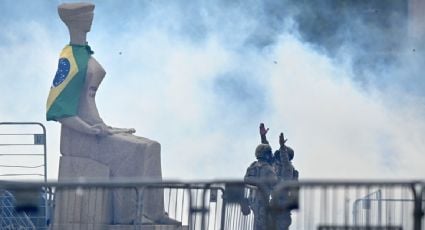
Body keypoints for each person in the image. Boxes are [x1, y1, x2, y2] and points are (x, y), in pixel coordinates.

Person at [46, 3, 179, 225]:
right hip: (78, 136)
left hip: (95, 127)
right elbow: (57, 109)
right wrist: (88, 129)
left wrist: (106, 127)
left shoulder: (83, 53)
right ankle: (130, 216)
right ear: (73, 20)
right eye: (85, 15)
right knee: (132, 152)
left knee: (152, 146)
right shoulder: (69, 59)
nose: (90, 18)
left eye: (90, 14)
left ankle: (155, 213)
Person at [260, 123, 298, 230]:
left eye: (280, 155)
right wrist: (263, 137)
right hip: (274, 202)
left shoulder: (288, 168)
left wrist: (282, 147)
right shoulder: (276, 165)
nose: (277, 158)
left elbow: (285, 160)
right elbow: (267, 153)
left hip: (284, 205)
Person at [244, 143, 277, 230]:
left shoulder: (252, 166)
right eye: (269, 153)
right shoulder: (268, 169)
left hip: (252, 198)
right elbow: (274, 184)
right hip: (262, 200)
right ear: (266, 155)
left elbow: (246, 180)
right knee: (262, 224)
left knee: (258, 222)